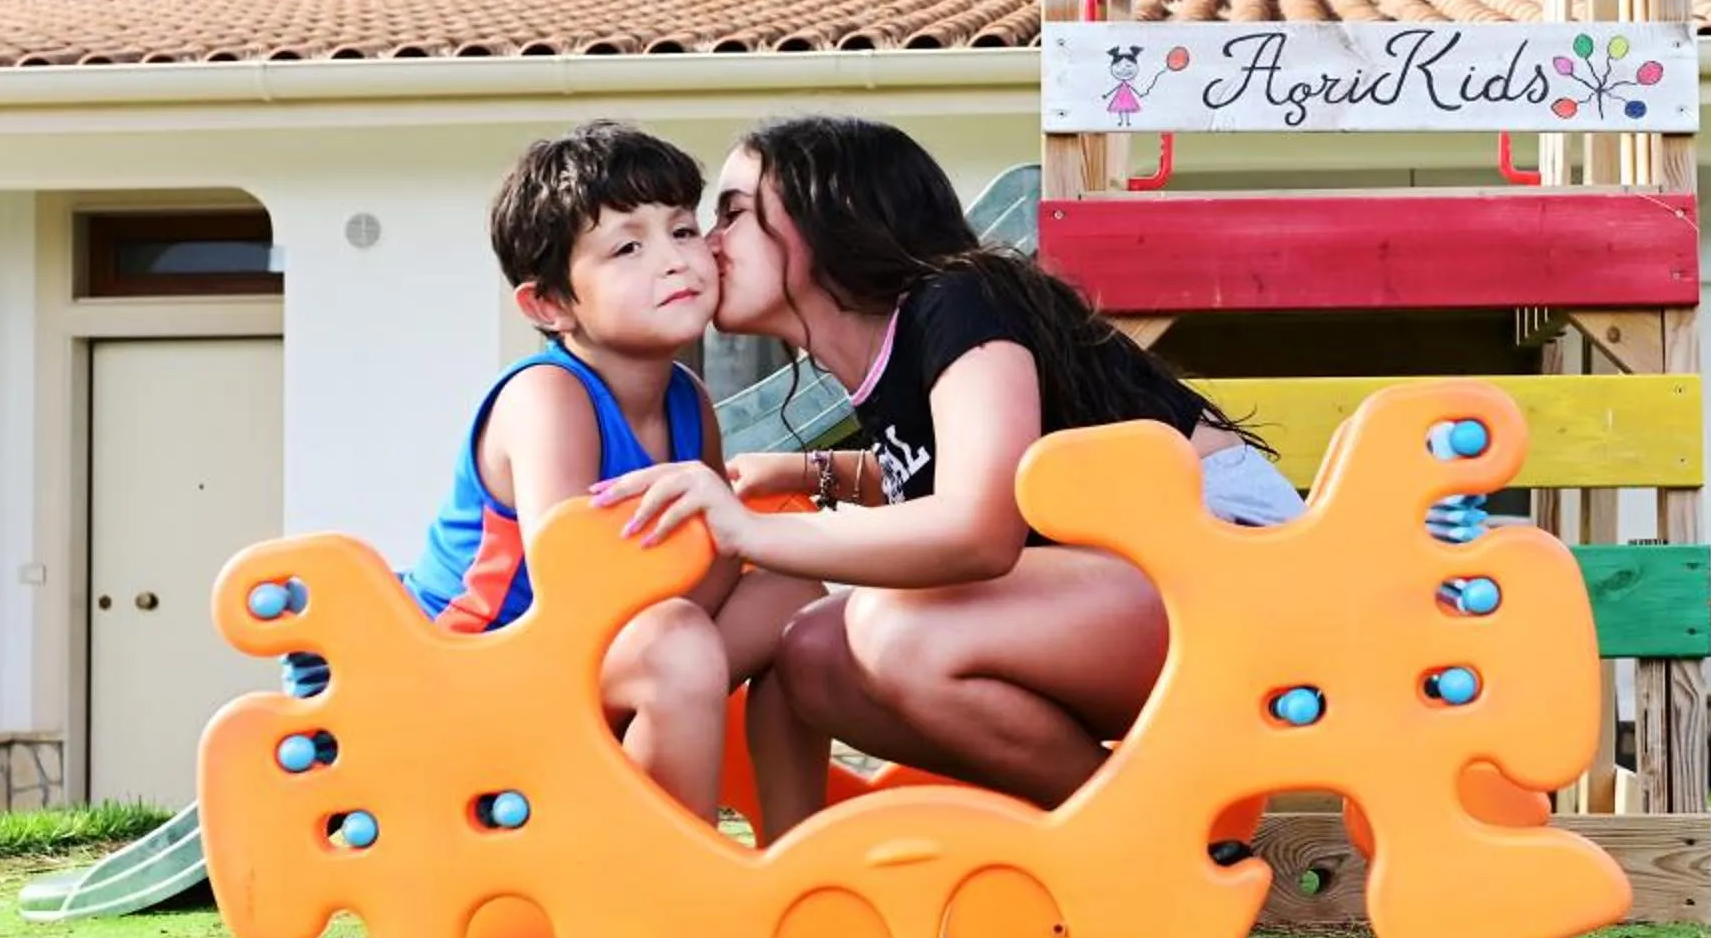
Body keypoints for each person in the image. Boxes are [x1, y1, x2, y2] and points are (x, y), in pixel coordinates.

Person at [587, 115, 1304, 842]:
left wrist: (751, 531)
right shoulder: (885, 348)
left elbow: (977, 528)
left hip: (1238, 582)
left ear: (831, 213)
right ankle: (788, 872)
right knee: (806, 649)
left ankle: (1149, 834)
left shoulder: (961, 300)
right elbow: (959, 472)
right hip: (1134, 592)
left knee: (896, 629)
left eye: (734, 213)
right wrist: (804, 472)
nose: (709, 244)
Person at [292, 119, 822, 826]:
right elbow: (576, 589)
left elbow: (718, 554)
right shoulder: (548, 397)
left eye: (682, 230)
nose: (674, 260)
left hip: (590, 657)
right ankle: (665, 868)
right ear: (549, 304)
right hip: (465, 677)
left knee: (792, 597)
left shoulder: (686, 399)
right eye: (628, 247)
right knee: (675, 641)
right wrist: (689, 618)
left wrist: (700, 600)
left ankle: (793, 852)